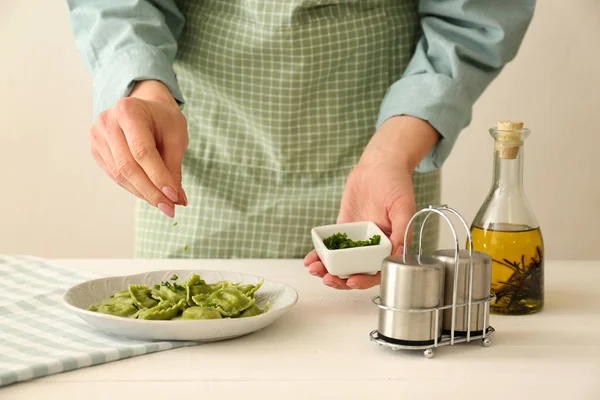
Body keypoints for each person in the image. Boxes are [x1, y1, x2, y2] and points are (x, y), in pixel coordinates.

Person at [66, 0, 535, 290]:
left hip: (384, 138)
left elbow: (476, 15)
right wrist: (146, 91)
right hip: (204, 146)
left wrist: (391, 152)